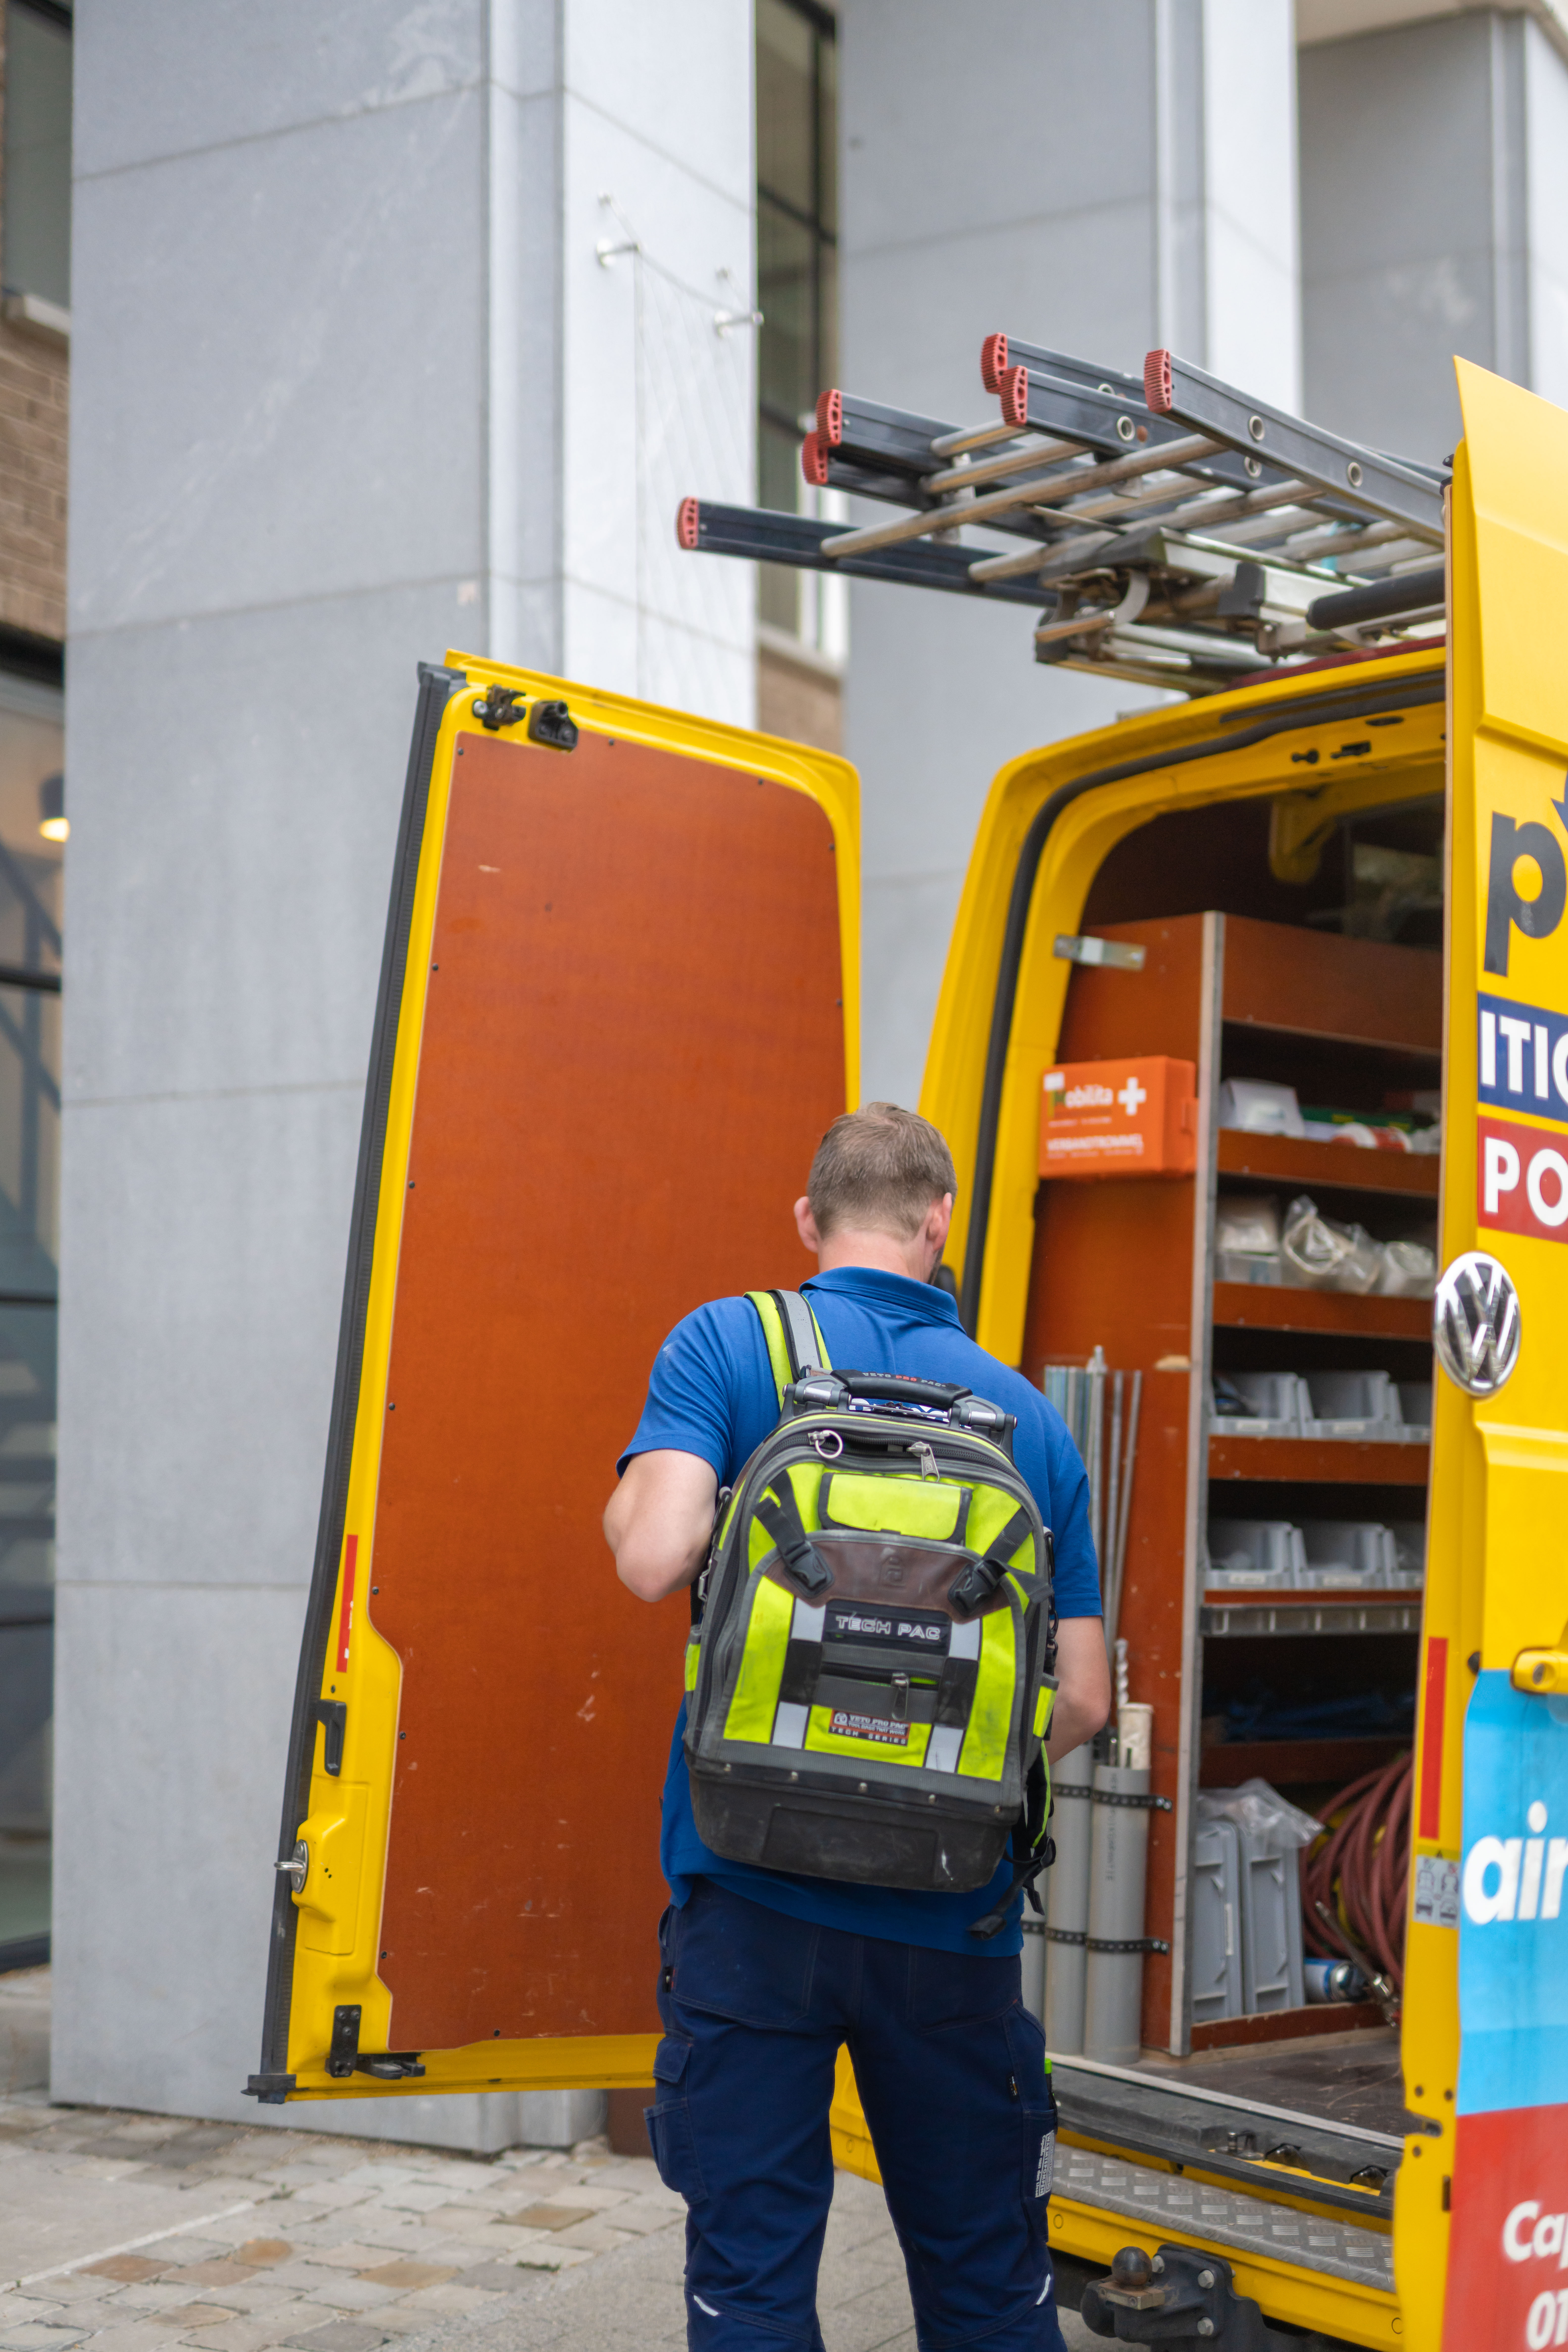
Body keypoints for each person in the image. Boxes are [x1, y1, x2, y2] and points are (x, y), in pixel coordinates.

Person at [603, 1103, 1110, 2352]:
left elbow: (654, 1557)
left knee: (755, 2283)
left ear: (808, 1222)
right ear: (940, 1225)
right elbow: (1087, 1699)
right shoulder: (1028, 1423)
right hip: (953, 1916)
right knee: (987, 2284)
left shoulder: (727, 1345)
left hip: (751, 1891)